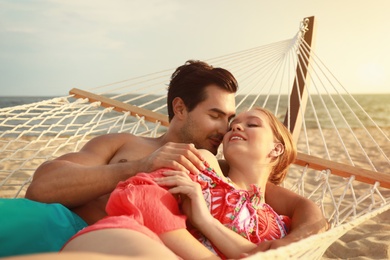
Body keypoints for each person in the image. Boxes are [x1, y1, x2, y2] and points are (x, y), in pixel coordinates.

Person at [0, 60, 326, 257]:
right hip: (54, 223)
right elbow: (41, 188)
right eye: (216, 115)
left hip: (121, 248)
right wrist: (141, 166)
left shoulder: (223, 172)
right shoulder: (123, 143)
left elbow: (306, 210)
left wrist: (293, 244)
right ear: (181, 108)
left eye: (231, 117)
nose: (226, 127)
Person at [61, 107, 297, 259]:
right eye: (234, 123)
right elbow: (142, 196)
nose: (235, 126)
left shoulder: (280, 224)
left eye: (252, 124)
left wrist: (204, 220)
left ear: (276, 148)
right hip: (127, 243)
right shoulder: (204, 165)